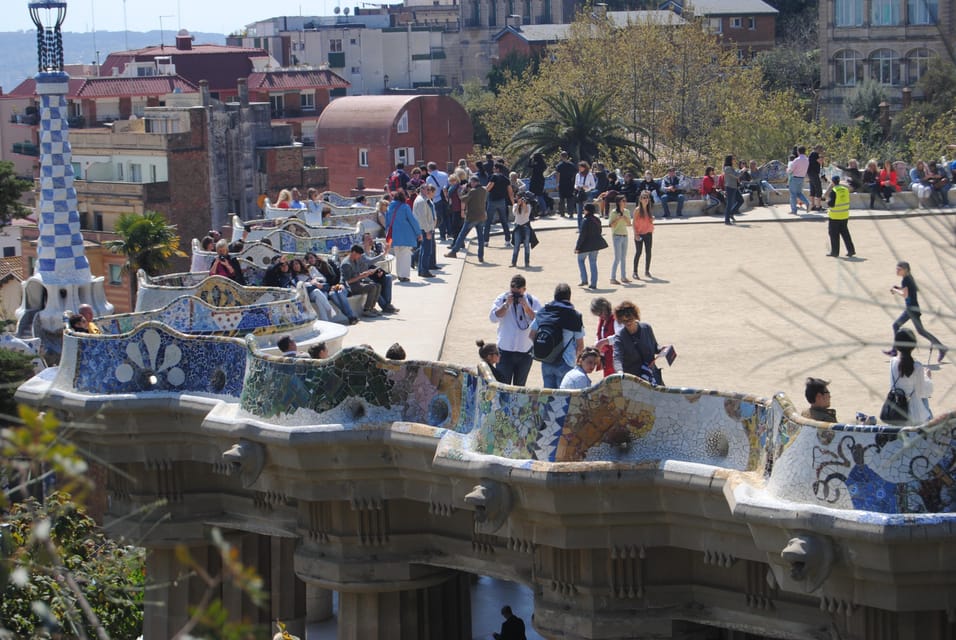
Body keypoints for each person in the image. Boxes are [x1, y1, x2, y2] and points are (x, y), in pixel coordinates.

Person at [884, 261, 948, 362]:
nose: (897, 271)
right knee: (920, 331)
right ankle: (941, 348)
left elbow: (905, 294)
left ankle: (895, 350)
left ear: (905, 270)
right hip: (912, 308)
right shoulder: (909, 278)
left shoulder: (906, 280)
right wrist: (900, 288)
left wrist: (896, 290)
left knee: (897, 326)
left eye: (899, 269)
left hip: (911, 309)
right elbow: (912, 290)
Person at [489, 274, 543, 386]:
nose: (515, 296)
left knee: (520, 389)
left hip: (525, 354)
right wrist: (506, 305)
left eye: (518, 293)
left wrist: (527, 308)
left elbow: (541, 322)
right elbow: (493, 318)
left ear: (524, 289)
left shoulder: (532, 301)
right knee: (502, 388)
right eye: (513, 292)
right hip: (504, 353)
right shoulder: (503, 298)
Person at [529, 283, 585, 388]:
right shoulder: (574, 316)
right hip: (566, 361)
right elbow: (580, 345)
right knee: (563, 399)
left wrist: (545, 348)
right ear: (569, 297)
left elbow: (532, 335)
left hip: (546, 360)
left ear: (555, 296)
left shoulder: (543, 312)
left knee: (549, 398)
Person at [887, 328, 934, 425]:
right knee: (924, 399)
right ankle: (928, 423)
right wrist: (928, 377)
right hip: (914, 416)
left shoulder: (892, 363)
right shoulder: (917, 366)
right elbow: (923, 393)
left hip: (896, 411)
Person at [612, 300, 664, 385]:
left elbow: (655, 347)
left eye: (630, 319)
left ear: (635, 316)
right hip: (635, 381)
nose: (628, 322)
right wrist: (620, 371)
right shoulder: (620, 337)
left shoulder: (646, 328)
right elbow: (617, 358)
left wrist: (661, 349)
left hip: (652, 376)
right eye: (624, 320)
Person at [304, 252, 358, 325]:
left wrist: (340, 284)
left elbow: (338, 274)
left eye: (311, 257)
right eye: (308, 259)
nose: (310, 260)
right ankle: (351, 317)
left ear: (315, 257)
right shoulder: (310, 270)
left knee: (340, 293)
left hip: (339, 284)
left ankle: (351, 317)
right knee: (333, 295)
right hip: (329, 289)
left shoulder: (326, 263)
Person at [446, 175, 488, 262]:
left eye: (471, 182)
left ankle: (454, 251)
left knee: (462, 235)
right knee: (480, 237)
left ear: (473, 182)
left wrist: (462, 191)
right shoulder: (484, 190)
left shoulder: (473, 191)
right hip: (481, 216)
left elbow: (463, 199)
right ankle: (481, 256)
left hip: (472, 217)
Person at [385, 191, 423, 282]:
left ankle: (399, 274)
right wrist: (418, 233)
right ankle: (404, 275)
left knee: (398, 255)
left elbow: (387, 223)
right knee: (405, 255)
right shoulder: (405, 207)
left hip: (394, 235)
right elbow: (413, 221)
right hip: (406, 235)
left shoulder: (389, 208)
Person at [340, 244, 384, 317]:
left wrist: (367, 272)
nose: (360, 257)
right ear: (354, 253)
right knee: (372, 287)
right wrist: (361, 276)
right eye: (359, 254)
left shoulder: (355, 260)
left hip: (357, 283)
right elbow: (348, 281)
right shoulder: (346, 264)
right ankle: (366, 310)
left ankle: (371, 308)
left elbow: (358, 273)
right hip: (350, 287)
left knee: (378, 285)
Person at [574, 203, 607, 289]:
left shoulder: (585, 221)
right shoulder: (597, 219)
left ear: (587, 210)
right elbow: (600, 231)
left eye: (584, 209)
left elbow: (582, 236)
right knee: (593, 263)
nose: (583, 211)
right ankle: (593, 283)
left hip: (586, 245)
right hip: (595, 245)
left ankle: (584, 279)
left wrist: (577, 247)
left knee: (580, 260)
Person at [484, 163, 514, 246]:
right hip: (502, 201)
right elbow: (510, 192)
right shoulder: (506, 179)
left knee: (488, 221)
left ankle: (486, 241)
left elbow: (488, 188)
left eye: (494, 168)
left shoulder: (493, 176)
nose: (493, 170)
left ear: (497, 169)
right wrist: (513, 203)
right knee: (504, 221)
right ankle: (507, 240)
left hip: (492, 201)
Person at [825, 175, 856, 258]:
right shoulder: (845, 190)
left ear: (833, 182)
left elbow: (831, 204)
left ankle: (835, 252)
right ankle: (851, 250)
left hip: (835, 216)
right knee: (845, 233)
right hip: (844, 215)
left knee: (834, 234)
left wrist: (827, 201)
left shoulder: (834, 191)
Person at [412, 185, 438, 278]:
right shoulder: (421, 201)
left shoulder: (424, 199)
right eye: (427, 189)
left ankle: (422, 270)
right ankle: (424, 270)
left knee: (424, 250)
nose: (429, 191)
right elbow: (422, 218)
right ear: (422, 190)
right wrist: (427, 231)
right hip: (424, 229)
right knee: (426, 250)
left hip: (426, 228)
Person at [590, 297, 618, 377]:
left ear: (605, 308)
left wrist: (604, 342)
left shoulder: (616, 319)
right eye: (598, 315)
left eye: (600, 313)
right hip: (607, 360)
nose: (600, 316)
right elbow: (599, 335)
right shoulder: (602, 320)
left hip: (616, 360)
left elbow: (621, 337)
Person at [607, 195, 630, 284]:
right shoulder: (613, 212)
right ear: (619, 202)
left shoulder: (627, 212)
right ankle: (612, 278)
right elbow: (611, 225)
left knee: (623, 258)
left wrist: (625, 218)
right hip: (616, 236)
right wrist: (617, 219)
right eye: (623, 201)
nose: (625, 202)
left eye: (625, 200)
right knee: (617, 258)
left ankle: (623, 277)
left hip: (625, 236)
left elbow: (629, 224)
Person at [632, 190, 654, 280]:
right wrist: (635, 234)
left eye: (647, 198)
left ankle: (647, 271)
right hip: (639, 233)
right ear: (640, 199)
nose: (646, 199)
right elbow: (633, 223)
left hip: (648, 233)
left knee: (648, 252)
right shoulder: (637, 210)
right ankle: (635, 272)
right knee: (638, 252)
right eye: (644, 198)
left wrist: (652, 220)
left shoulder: (649, 209)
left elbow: (649, 221)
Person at [425, 161, 450, 242]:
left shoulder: (429, 178)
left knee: (439, 217)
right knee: (447, 216)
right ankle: (450, 232)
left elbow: (429, 190)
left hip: (436, 199)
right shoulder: (445, 174)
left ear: (429, 168)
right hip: (445, 198)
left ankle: (442, 235)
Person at [510, 193, 534, 268]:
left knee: (526, 245)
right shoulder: (515, 205)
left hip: (526, 226)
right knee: (516, 245)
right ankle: (513, 262)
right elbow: (515, 213)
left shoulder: (528, 206)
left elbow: (527, 213)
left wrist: (524, 204)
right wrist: (518, 205)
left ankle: (527, 262)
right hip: (517, 226)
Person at [787, 146, 812, 214]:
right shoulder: (807, 160)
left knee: (793, 194)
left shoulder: (797, 160)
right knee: (799, 193)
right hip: (801, 178)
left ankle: (794, 210)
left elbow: (790, 170)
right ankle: (808, 203)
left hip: (794, 178)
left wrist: (787, 170)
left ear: (798, 151)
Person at [573, 161, 596, 230]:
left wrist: (587, 187)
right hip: (580, 193)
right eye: (579, 167)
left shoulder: (589, 175)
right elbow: (575, 184)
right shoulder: (578, 175)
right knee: (579, 212)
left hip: (587, 193)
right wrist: (577, 186)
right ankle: (580, 228)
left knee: (588, 211)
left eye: (581, 167)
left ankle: (589, 227)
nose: (580, 168)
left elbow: (593, 185)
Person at [554, 151, 577, 218]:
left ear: (561, 157)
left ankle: (562, 213)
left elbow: (558, 175)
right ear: (567, 156)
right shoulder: (572, 165)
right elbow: (575, 174)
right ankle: (571, 213)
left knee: (562, 199)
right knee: (570, 199)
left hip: (562, 184)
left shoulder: (559, 165)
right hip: (570, 184)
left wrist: (557, 184)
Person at [722, 156, 740, 224]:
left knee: (740, 200)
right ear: (730, 160)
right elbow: (736, 175)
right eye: (733, 159)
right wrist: (743, 170)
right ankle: (727, 220)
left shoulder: (731, 168)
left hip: (734, 187)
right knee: (729, 203)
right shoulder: (728, 168)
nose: (734, 160)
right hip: (730, 187)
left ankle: (731, 213)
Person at [808, 145, 825, 212]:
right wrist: (822, 156)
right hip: (814, 173)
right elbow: (821, 161)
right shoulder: (815, 154)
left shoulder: (811, 154)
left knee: (813, 190)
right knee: (818, 189)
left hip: (810, 173)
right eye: (821, 149)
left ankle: (813, 205)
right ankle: (818, 206)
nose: (821, 151)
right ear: (818, 149)